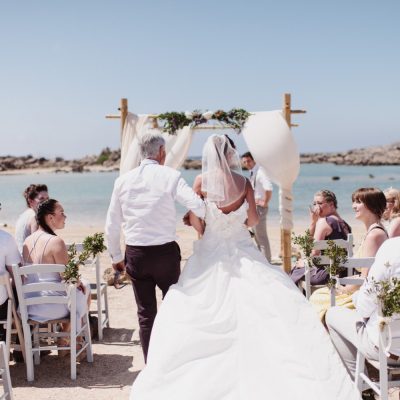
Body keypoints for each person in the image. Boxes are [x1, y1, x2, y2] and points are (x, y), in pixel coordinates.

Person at [130, 134, 360, 400]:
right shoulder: (243, 181)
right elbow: (251, 220)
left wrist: (207, 224)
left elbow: (197, 222)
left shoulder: (201, 182)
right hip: (241, 248)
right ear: (231, 155)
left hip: (211, 251)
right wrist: (234, 218)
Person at [105, 133, 205, 362]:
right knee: (173, 308)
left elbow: (112, 223)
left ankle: (152, 364)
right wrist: (204, 217)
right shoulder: (170, 175)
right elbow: (196, 203)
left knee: (145, 314)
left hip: (136, 254)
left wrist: (116, 256)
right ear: (160, 152)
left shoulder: (122, 181)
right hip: (165, 254)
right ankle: (174, 359)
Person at [326, 236, 400, 381]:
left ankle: (358, 388)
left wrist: (356, 296)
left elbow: (364, 307)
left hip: (388, 351)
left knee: (332, 314)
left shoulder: (392, 248)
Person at [310, 188, 388, 321]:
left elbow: (367, 278)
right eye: (353, 202)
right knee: (320, 294)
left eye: (358, 202)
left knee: (318, 297)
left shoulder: (374, 235)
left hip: (368, 297)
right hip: (365, 289)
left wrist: (344, 289)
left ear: (371, 205)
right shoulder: (374, 231)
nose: (353, 206)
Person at [22, 199, 89, 337]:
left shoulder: (27, 242)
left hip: (30, 307)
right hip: (53, 307)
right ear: (50, 217)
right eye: (62, 213)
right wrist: (79, 280)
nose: (65, 216)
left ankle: (67, 337)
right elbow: (69, 279)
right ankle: (68, 337)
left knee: (78, 290)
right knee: (85, 287)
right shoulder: (56, 242)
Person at [290, 190, 351, 286]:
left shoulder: (324, 222)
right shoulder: (344, 224)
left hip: (327, 274)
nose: (316, 207)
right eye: (314, 204)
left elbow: (314, 253)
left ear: (331, 205)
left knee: (296, 269)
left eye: (320, 203)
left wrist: (313, 222)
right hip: (344, 272)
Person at [241, 151, 273, 261]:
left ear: (254, 159)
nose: (247, 163)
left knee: (261, 237)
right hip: (254, 207)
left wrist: (265, 202)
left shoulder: (261, 172)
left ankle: (267, 261)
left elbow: (268, 188)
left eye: (249, 161)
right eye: (244, 162)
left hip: (260, 208)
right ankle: (264, 260)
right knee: (257, 237)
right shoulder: (253, 172)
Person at [0, 202, 21, 342]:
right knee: (20, 291)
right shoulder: (5, 239)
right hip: (0, 307)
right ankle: (22, 343)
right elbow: (16, 275)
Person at [15, 184, 49, 254]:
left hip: (21, 259)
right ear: (30, 201)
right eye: (41, 199)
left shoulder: (24, 215)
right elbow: (37, 246)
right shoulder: (34, 217)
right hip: (30, 262)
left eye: (47, 199)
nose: (47, 202)